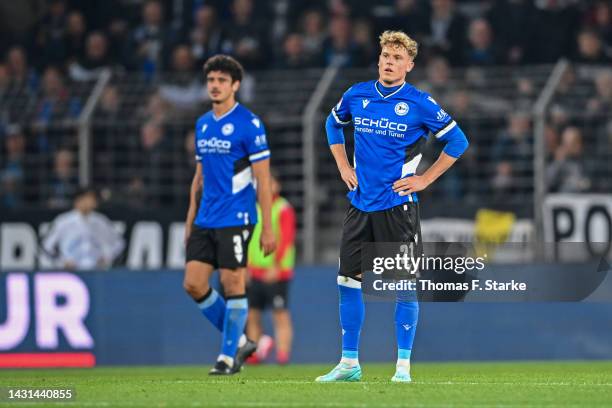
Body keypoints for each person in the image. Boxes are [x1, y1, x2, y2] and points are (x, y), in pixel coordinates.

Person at [318, 30, 469, 383]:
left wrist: (425, 180)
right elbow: (332, 124)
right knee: (347, 280)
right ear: (379, 59)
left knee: (403, 283)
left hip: (397, 207)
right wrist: (343, 165)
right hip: (359, 205)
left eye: (397, 57)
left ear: (410, 65)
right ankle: (349, 363)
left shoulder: (420, 103)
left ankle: (403, 367)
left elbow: (458, 140)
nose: (389, 61)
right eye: (386, 55)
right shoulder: (357, 95)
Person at [182, 55, 276, 376]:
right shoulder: (203, 123)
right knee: (193, 284)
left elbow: (263, 180)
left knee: (231, 281)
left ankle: (226, 358)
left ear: (235, 85)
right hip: (206, 217)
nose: (215, 86)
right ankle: (238, 342)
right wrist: (189, 218)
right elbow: (199, 178)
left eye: (222, 80)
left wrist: (268, 227)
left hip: (237, 216)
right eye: (211, 80)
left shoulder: (249, 124)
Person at [246, 171, 296, 365]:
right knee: (252, 314)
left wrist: (275, 266)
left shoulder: (283, 208)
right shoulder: (253, 208)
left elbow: (286, 239)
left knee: (280, 314)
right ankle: (254, 352)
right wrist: (247, 266)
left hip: (277, 273)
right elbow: (248, 239)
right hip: (255, 271)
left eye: (269, 183)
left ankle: (283, 355)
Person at [42, 187, 125, 270]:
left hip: (96, 271)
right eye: (89, 198)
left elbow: (119, 243)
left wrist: (107, 257)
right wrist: (62, 262)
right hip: (71, 272)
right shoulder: (63, 221)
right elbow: (47, 246)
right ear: (78, 201)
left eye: (93, 199)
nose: (92, 201)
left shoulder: (101, 221)